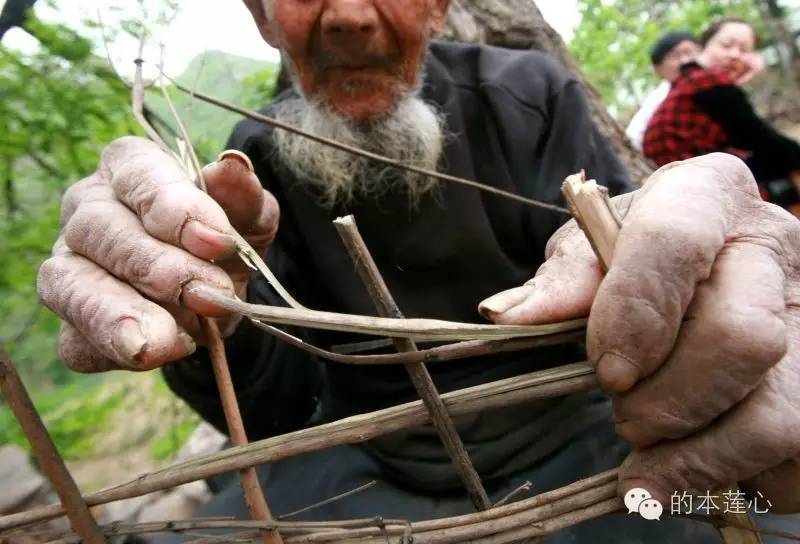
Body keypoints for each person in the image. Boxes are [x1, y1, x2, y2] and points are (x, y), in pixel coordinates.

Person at [36, 1, 800, 542]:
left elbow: (637, 263)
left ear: (437, 7)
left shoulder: (526, 95)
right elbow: (273, 411)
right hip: (371, 466)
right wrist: (200, 308)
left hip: (592, 434)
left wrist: (691, 258)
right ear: (264, 19)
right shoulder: (251, 159)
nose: (347, 15)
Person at [643, 17, 800, 209]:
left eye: (744, 50)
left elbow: (739, 127)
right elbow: (757, 138)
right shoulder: (707, 81)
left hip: (693, 187)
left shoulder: (688, 82)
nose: (735, 54)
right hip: (708, 193)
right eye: (726, 45)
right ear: (702, 48)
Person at [625, 31, 702, 151]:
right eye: (674, 56)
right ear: (658, 69)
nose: (685, 61)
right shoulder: (658, 100)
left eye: (689, 52)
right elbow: (633, 138)